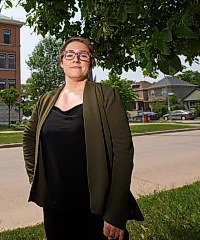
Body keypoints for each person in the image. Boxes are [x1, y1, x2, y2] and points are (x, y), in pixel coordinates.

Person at [23, 37, 143, 240]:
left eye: (83, 55)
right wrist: (36, 178)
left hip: (96, 206)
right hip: (55, 206)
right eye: (69, 55)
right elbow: (29, 136)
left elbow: (123, 151)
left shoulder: (106, 95)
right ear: (61, 62)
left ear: (91, 62)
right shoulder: (45, 99)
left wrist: (115, 212)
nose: (76, 59)